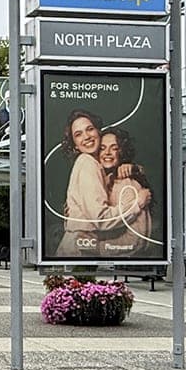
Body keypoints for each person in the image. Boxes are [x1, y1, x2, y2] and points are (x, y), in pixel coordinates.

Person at [54, 109, 108, 258]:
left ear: (99, 131)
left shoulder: (94, 165)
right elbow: (101, 219)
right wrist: (137, 203)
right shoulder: (87, 163)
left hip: (80, 246)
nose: (86, 137)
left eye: (90, 129)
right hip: (80, 248)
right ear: (75, 145)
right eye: (78, 134)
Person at [94, 129, 156, 255]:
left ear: (122, 152)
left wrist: (97, 249)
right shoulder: (98, 182)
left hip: (120, 265)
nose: (107, 153)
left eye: (114, 148)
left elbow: (136, 240)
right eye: (102, 148)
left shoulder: (126, 184)